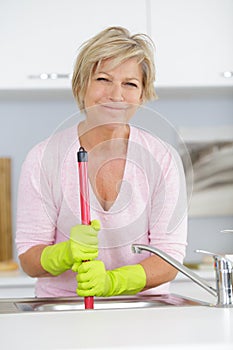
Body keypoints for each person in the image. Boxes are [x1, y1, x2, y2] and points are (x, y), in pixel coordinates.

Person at [16, 26, 187, 298]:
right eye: (103, 79)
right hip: (62, 309)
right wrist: (61, 254)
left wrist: (114, 282)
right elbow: (28, 258)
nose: (116, 95)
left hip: (143, 309)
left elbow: (170, 256)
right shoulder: (42, 159)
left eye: (130, 84)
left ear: (142, 94)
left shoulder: (162, 159)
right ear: (82, 84)